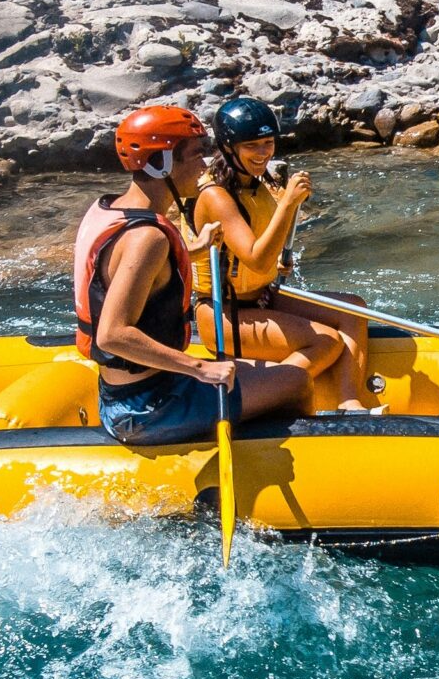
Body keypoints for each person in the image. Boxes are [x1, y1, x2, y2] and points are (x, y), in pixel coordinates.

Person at [74, 103, 311, 445]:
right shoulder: (149, 238)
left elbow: (123, 268)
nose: (203, 167)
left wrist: (192, 251)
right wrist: (200, 368)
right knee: (297, 382)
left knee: (273, 375)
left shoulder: (108, 209)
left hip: (128, 393)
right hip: (148, 406)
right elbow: (111, 335)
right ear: (162, 164)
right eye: (195, 156)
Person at [189, 98, 374, 412]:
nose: (263, 153)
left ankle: (349, 402)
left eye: (268, 143)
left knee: (353, 309)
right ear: (229, 147)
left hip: (259, 297)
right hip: (223, 314)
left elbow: (262, 256)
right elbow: (254, 258)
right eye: (252, 145)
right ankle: (266, 395)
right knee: (326, 340)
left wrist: (278, 261)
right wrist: (287, 203)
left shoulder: (256, 185)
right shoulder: (215, 196)